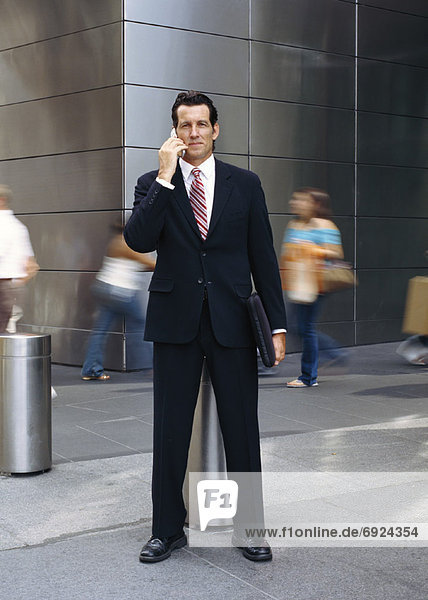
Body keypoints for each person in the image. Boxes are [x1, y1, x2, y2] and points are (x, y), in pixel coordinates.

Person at [124, 91, 286, 563]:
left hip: (232, 320)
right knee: (170, 429)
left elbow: (264, 257)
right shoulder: (154, 182)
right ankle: (166, 529)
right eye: (184, 126)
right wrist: (164, 177)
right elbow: (139, 239)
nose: (193, 133)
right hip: (175, 321)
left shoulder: (246, 183)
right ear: (175, 132)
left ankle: (249, 526)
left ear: (216, 129)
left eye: (201, 125)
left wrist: (276, 325)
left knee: (242, 428)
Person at [280, 188, 345, 388]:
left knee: (305, 328)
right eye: (295, 200)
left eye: (301, 200)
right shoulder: (295, 224)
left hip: (316, 284)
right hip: (298, 282)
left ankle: (308, 377)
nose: (296, 203)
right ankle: (334, 354)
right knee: (296, 326)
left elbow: (336, 253)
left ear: (315, 204)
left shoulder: (324, 224)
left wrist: (311, 248)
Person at [81, 223, 155, 381]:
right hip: (120, 292)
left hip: (107, 289)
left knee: (100, 331)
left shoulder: (117, 241)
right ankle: (154, 366)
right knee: (142, 326)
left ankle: (91, 369)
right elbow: (150, 263)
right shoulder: (125, 243)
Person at [0, 185, 39, 333]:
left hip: (3, 287)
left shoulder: (3, 225)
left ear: (1, 200)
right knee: (5, 338)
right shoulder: (18, 226)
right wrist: (16, 285)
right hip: (11, 288)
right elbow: (32, 265)